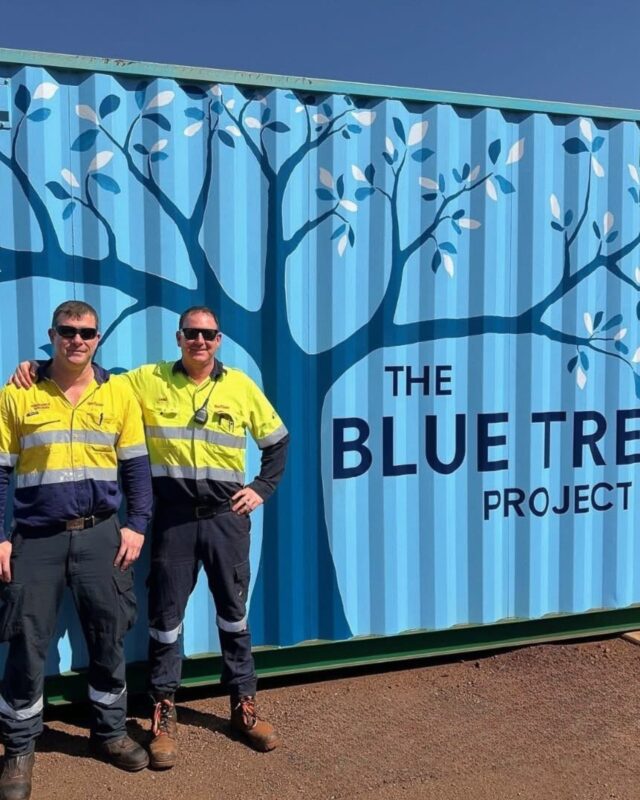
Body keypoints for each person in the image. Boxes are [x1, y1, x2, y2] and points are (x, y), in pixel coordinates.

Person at [10, 305, 289, 770]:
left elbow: (277, 441)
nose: (200, 341)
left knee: (233, 616)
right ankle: (163, 713)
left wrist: (261, 488)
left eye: (209, 335)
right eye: (191, 334)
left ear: (218, 340)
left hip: (225, 518)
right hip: (172, 519)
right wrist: (40, 367)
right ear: (179, 338)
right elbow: (90, 374)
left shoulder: (240, 386)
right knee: (165, 621)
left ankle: (244, 705)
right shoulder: (146, 380)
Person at [0, 301, 153, 800]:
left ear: (98, 338)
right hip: (35, 538)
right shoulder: (18, 392)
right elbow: (0, 471)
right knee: (26, 641)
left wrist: (137, 526)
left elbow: (137, 467)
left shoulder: (119, 393)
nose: (77, 340)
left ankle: (110, 732)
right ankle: (19, 747)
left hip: (100, 534)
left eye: (87, 332)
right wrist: (0, 536)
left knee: (109, 634)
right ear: (52, 335)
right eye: (68, 331)